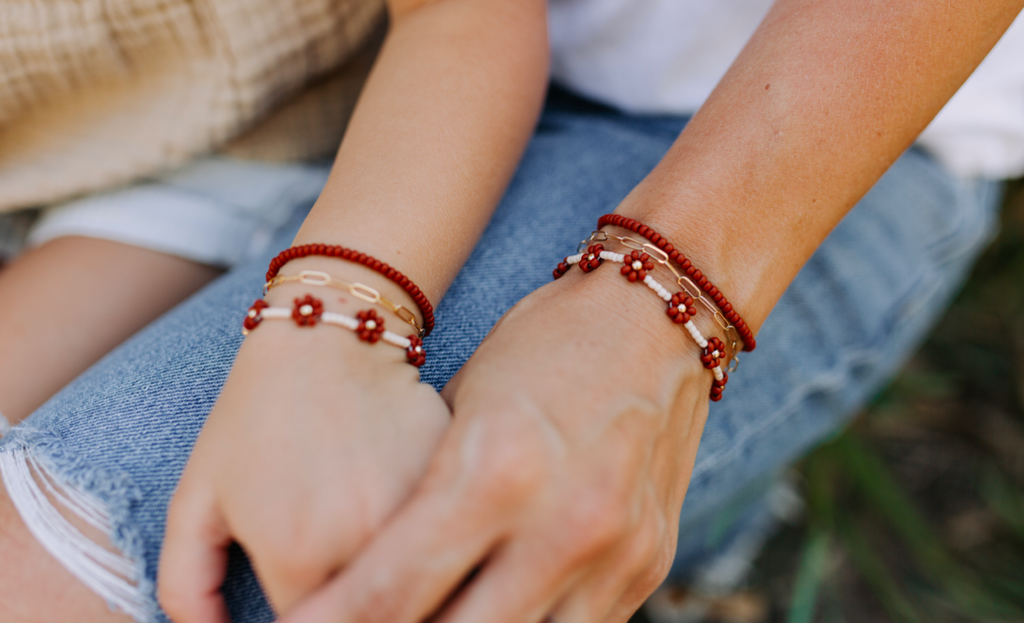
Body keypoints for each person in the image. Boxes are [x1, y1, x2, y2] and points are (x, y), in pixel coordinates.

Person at [2, 0, 1023, 622]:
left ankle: (699, 503)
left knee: (128, 569)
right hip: (317, 100)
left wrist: (649, 319)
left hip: (781, 106)